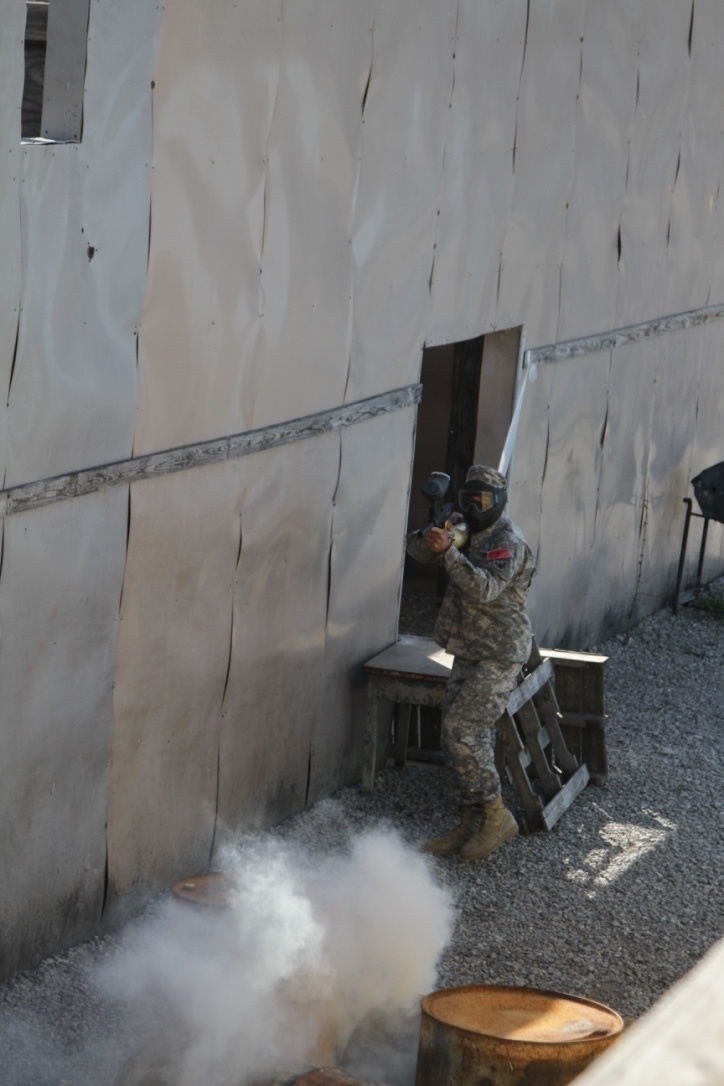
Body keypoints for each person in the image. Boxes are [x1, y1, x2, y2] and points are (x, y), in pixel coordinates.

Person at [406, 464, 536, 860]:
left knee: (466, 728)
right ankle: (469, 820)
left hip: (500, 652)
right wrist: (431, 535)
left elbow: (484, 588)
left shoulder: (506, 541)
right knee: (453, 732)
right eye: (469, 500)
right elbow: (415, 551)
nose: (475, 508)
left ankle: (496, 816)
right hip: (469, 646)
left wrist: (449, 554)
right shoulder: (460, 524)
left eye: (483, 501)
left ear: (499, 502)